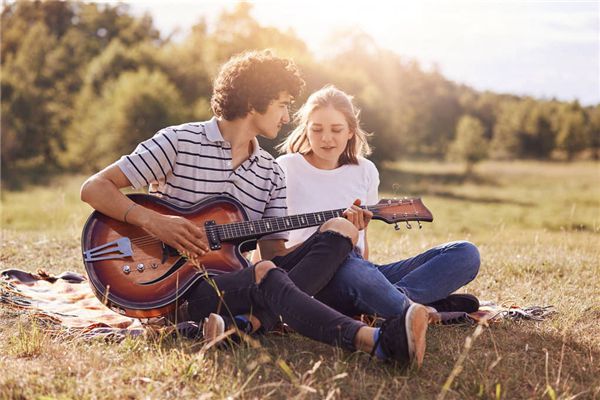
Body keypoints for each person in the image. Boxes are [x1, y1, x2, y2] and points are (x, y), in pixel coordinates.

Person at [80, 51, 429, 367]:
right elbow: (94, 187)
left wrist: (330, 236)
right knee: (265, 273)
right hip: (172, 285)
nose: (287, 115)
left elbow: (276, 255)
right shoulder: (179, 141)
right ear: (252, 102)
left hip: (231, 283)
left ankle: (245, 324)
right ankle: (376, 342)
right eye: (281, 104)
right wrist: (155, 222)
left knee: (340, 231)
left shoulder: (270, 172)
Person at [274, 85, 481, 321]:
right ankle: (417, 309)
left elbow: (363, 244)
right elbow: (270, 250)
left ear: (350, 131)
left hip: (357, 270)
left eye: (336, 129)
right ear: (306, 129)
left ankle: (396, 302)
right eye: (317, 129)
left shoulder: (365, 170)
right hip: (313, 278)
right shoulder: (286, 167)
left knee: (465, 253)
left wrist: (367, 274)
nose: (326, 138)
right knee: (350, 271)